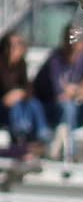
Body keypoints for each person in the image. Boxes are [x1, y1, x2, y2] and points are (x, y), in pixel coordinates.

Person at [32, 25, 83, 164]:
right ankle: (70, 154)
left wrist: (74, 90)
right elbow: (60, 95)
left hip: (73, 110)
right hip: (50, 112)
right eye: (71, 39)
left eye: (78, 40)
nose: (74, 44)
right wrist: (81, 90)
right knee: (67, 107)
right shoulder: (54, 60)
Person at [0, 31, 49, 159]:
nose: (12, 50)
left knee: (34, 103)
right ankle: (21, 139)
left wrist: (18, 93)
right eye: (9, 46)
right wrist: (17, 93)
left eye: (16, 46)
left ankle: (41, 136)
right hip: (3, 109)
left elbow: (27, 89)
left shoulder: (21, 65)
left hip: (15, 107)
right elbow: (6, 91)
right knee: (14, 105)